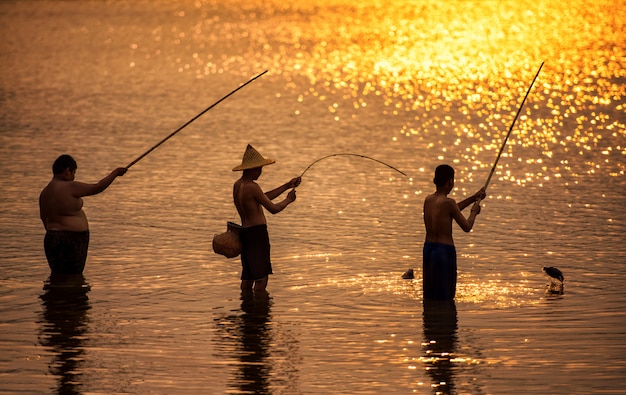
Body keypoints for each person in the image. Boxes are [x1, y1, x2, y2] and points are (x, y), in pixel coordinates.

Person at [39, 154, 127, 275]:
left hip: (52, 238)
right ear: (67, 171)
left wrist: (56, 233)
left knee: (58, 277)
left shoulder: (44, 193)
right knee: (73, 278)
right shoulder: (69, 186)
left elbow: (44, 218)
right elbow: (98, 187)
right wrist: (116, 173)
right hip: (71, 239)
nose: (73, 177)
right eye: (73, 173)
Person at [232, 144, 301, 291]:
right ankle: (258, 312)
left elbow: (261, 198)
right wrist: (288, 200)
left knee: (248, 277)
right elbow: (273, 209)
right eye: (259, 169)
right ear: (253, 169)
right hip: (257, 234)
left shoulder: (238, 185)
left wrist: (287, 185)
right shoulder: (253, 187)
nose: (260, 172)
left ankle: (247, 308)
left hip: (245, 233)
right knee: (261, 279)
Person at [422, 164, 485, 300]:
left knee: (430, 295)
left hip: (428, 249)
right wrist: (474, 212)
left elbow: (450, 211)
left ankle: (431, 320)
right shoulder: (449, 203)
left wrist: (473, 197)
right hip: (444, 252)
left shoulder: (428, 200)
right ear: (450, 181)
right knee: (445, 297)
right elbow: (467, 227)